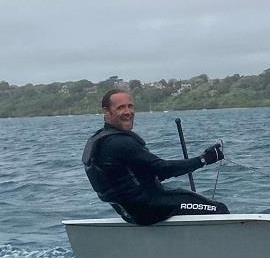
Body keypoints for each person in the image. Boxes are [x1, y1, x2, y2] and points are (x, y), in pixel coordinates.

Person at [82, 89, 230, 225]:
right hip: (150, 209)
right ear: (106, 111)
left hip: (128, 212)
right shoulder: (119, 143)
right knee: (219, 209)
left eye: (130, 106)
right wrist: (204, 159)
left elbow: (147, 174)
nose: (128, 112)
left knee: (183, 196)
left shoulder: (99, 140)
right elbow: (162, 169)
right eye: (121, 107)